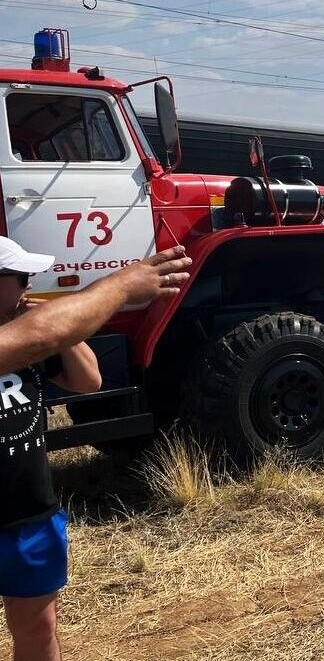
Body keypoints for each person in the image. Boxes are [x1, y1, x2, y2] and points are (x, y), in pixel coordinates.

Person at [0, 238, 191, 661]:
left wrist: (60, 333)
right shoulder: (25, 340)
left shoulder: (29, 343)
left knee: (39, 625)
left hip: (28, 515)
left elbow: (89, 382)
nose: (30, 287)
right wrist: (114, 290)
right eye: (21, 278)